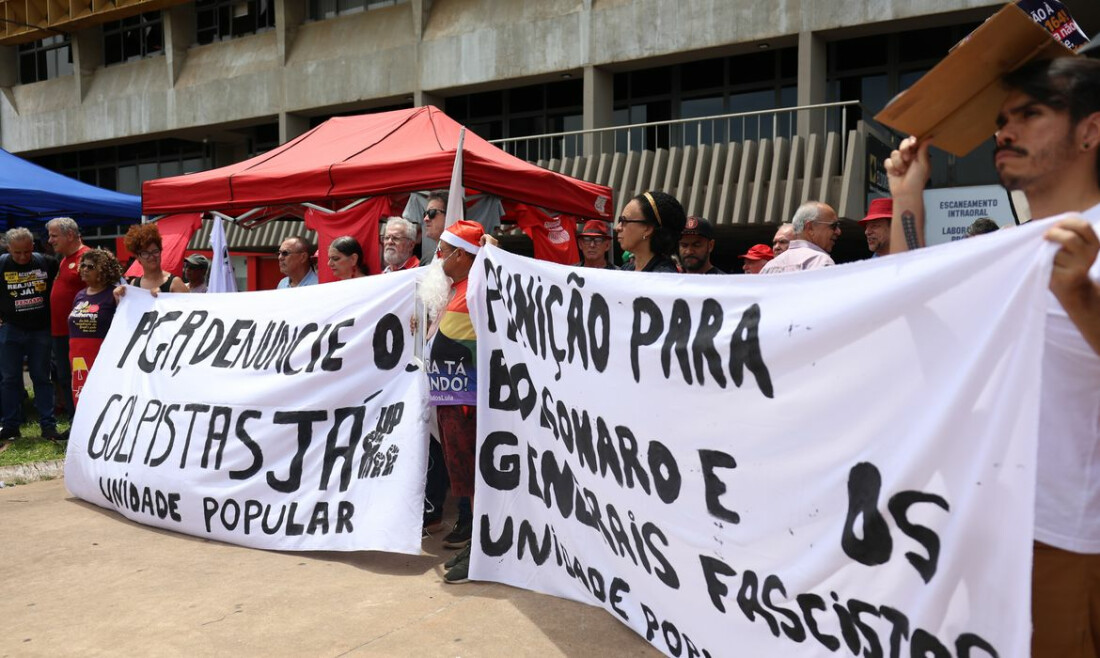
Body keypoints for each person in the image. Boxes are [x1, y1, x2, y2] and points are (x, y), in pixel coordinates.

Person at [885, 56, 1100, 658]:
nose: (1003, 132)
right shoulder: (1009, 249)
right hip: (984, 531)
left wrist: (1079, 293)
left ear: (1090, 131)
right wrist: (909, 198)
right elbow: (913, 312)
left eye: (1030, 114)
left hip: (1069, 544)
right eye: (1002, 119)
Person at [420, 220, 485, 584]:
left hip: (468, 403)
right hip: (450, 402)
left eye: (443, 250)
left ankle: (480, 549)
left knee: (474, 481)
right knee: (465, 480)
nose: (437, 256)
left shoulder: (477, 288)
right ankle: (476, 542)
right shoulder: (455, 290)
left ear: (462, 255)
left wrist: (488, 248)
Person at [0, 228, 59, 442]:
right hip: (10, 329)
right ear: (8, 249)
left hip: (40, 330)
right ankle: (10, 426)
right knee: (9, 379)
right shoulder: (2, 264)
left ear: (32, 247)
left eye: (26, 251)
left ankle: (48, 426)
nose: (23, 257)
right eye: (17, 253)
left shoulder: (47, 262)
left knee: (42, 378)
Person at [46, 216, 90, 421]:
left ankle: (83, 423)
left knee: (80, 379)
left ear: (70, 234)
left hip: (80, 333)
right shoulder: (64, 260)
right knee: (65, 379)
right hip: (60, 332)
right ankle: (75, 423)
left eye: (54, 235)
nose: (50, 240)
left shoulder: (87, 258)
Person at [69, 249, 123, 407]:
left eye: (90, 267)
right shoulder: (80, 295)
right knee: (80, 395)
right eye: (83, 265)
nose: (84, 269)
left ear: (104, 270)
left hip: (101, 354)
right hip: (78, 355)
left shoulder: (114, 294)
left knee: (101, 397)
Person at [615, 191, 686, 273]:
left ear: (647, 228)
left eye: (624, 220)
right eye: (619, 220)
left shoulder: (663, 277)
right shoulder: (626, 269)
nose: (618, 228)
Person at [760, 202, 839, 274]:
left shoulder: (768, 267)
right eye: (833, 226)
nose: (838, 231)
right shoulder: (820, 261)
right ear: (810, 227)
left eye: (782, 242)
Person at [124, 223, 188, 293]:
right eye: (145, 253)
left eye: (155, 251)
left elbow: (189, 303)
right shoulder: (134, 284)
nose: (151, 257)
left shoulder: (175, 283)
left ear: (160, 251)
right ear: (137, 257)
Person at [420, 190, 448, 266]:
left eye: (432, 213)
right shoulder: (427, 260)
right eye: (425, 214)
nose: (425, 219)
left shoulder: (467, 257)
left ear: (450, 215)